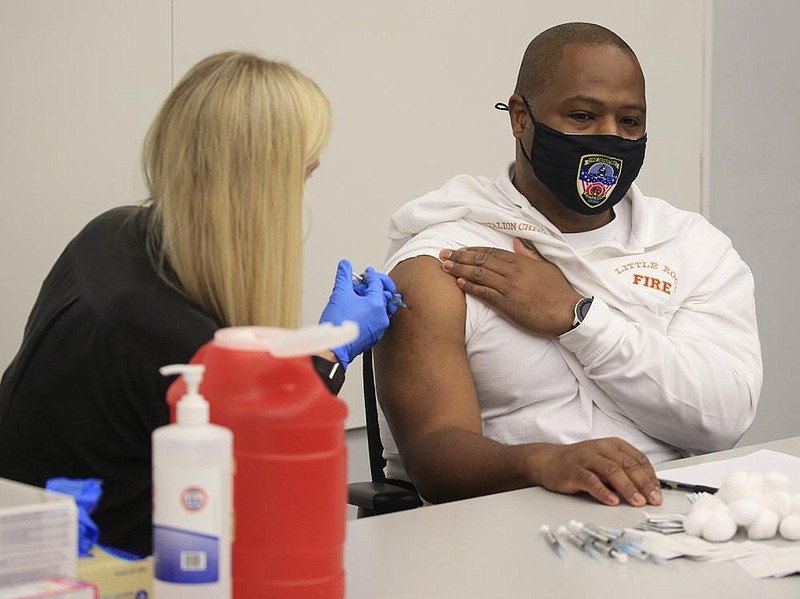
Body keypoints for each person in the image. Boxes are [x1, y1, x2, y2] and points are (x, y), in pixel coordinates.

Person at [0, 51, 400, 557]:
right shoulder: (163, 335)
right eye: (305, 175)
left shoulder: (111, 232)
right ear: (263, 188)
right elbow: (269, 484)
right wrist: (328, 352)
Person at [374, 23, 762, 510]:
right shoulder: (446, 260)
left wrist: (579, 319)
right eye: (582, 116)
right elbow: (433, 460)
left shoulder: (690, 246)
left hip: (676, 517)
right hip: (508, 529)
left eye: (630, 122)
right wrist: (544, 463)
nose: (609, 138)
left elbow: (722, 421)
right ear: (520, 117)